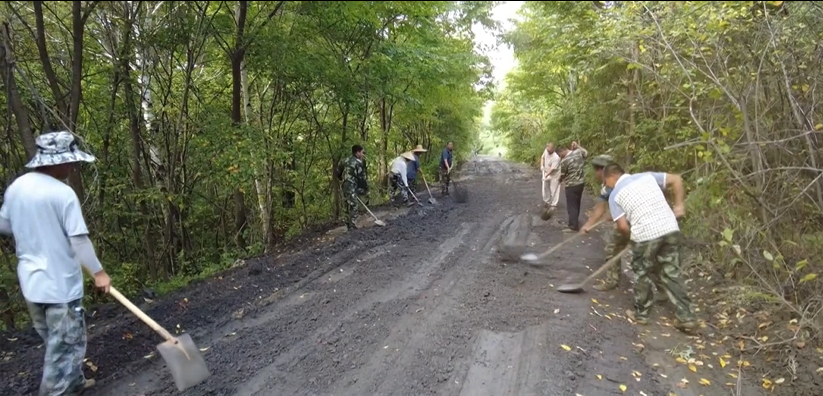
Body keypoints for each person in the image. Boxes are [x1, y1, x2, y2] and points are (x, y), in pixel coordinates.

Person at [0, 131, 110, 395]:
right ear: (56, 161)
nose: (72, 167)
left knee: (58, 343)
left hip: (33, 285)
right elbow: (79, 241)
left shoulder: (18, 187)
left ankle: (74, 383)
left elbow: (4, 225)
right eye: (70, 162)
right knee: (62, 350)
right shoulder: (63, 194)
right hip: (61, 287)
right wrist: (99, 273)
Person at [601, 162, 696, 333]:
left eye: (606, 182)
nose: (606, 186)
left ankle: (642, 314)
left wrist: (631, 239)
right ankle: (686, 317)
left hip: (646, 234)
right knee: (671, 272)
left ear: (612, 176)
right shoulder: (647, 176)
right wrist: (679, 205)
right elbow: (676, 179)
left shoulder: (615, 194)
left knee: (641, 271)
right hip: (670, 228)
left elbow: (622, 227)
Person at [582, 155, 671, 298]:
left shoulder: (628, 181)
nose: (595, 174)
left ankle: (661, 291)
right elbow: (599, 208)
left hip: (640, 222)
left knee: (642, 255)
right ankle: (614, 280)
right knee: (615, 248)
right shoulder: (606, 188)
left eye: (596, 171)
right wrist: (588, 225)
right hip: (625, 221)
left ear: (602, 171)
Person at [558, 141, 588, 233]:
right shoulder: (578, 152)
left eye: (559, 155)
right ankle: (574, 221)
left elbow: (562, 174)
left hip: (571, 185)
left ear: (562, 151)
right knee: (577, 203)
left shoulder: (564, 161)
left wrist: (559, 180)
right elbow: (586, 153)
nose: (560, 157)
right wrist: (578, 146)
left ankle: (573, 226)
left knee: (572, 205)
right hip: (580, 183)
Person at [342, 145, 369, 231]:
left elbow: (338, 171)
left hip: (345, 185)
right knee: (353, 205)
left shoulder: (345, 160)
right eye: (362, 152)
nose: (363, 154)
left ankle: (348, 224)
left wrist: (341, 179)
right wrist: (365, 188)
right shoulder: (358, 163)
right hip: (352, 185)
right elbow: (362, 178)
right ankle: (352, 225)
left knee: (347, 204)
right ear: (357, 152)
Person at [540, 142, 561, 212]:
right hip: (546, 171)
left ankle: (553, 204)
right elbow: (542, 158)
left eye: (549, 148)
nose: (548, 149)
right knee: (545, 187)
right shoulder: (546, 151)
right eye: (547, 147)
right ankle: (547, 201)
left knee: (554, 189)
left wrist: (546, 176)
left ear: (553, 149)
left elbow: (552, 170)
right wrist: (542, 166)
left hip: (554, 175)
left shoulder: (556, 157)